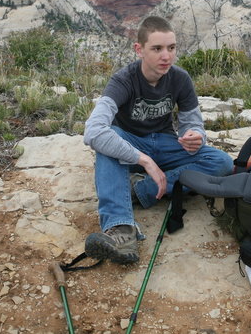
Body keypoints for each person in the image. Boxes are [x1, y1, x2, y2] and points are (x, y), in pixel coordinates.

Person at [83, 16, 234, 264]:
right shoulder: (123, 80)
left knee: (221, 162)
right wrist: (144, 161)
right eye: (157, 49)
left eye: (171, 48)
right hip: (131, 145)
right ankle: (121, 231)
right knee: (108, 140)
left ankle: (137, 190)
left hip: (165, 143)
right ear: (139, 50)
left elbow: (192, 123)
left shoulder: (180, 79)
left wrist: (196, 135)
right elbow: (94, 131)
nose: (166, 56)